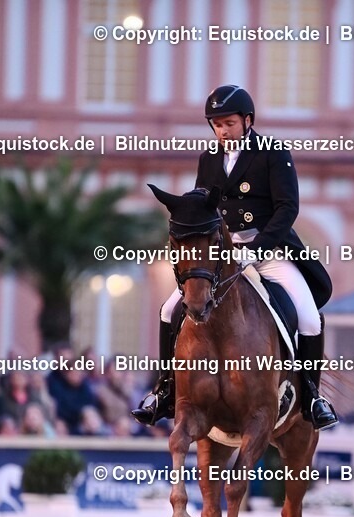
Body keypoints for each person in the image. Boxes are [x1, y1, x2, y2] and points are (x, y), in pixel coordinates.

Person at [131, 84, 338, 431]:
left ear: (247, 120)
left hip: (270, 252)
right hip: (222, 258)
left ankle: (313, 396)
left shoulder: (272, 152)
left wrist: (257, 250)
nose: (222, 131)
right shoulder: (208, 160)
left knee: (309, 317)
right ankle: (164, 390)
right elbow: (203, 206)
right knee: (169, 309)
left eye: (228, 123)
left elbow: (288, 208)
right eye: (216, 124)